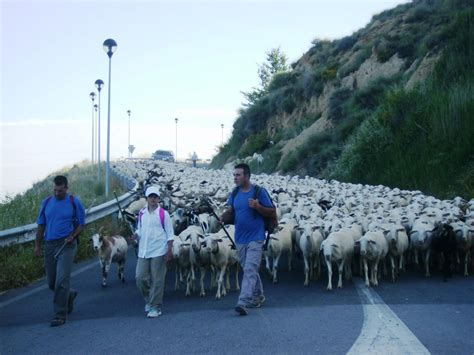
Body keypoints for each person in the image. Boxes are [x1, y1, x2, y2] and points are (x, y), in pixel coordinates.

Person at [35, 175, 86, 327]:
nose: (57, 193)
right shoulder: (47, 202)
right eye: (55, 190)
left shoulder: (74, 202)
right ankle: (69, 295)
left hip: (67, 244)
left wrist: (73, 235)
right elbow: (41, 225)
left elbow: (81, 225)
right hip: (49, 244)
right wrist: (37, 245)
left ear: (66, 188)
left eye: (60, 190)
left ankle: (59, 315)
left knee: (61, 281)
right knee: (51, 282)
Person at [224, 163, 275, 316]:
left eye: (238, 175)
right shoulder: (234, 193)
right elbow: (231, 211)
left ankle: (243, 301)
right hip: (240, 238)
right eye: (234, 175)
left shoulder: (259, 192)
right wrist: (222, 218)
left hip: (256, 237)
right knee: (249, 269)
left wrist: (258, 207)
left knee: (250, 269)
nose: (235, 178)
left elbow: (271, 211)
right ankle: (258, 296)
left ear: (246, 176)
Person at [133, 186, 174, 318]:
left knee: (157, 279)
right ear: (146, 198)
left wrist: (169, 250)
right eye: (150, 197)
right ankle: (149, 299)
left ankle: (155, 306)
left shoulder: (164, 214)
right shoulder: (142, 213)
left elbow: (170, 234)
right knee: (140, 277)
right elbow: (139, 229)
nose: (153, 199)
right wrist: (136, 235)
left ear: (158, 198)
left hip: (158, 250)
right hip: (144, 250)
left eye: (155, 197)